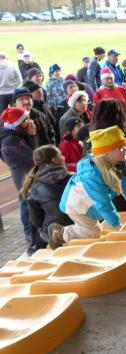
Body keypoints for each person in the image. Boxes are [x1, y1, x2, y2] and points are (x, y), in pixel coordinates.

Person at [49, 126, 126, 248]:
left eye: (125, 146)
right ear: (107, 153)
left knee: (94, 227)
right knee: (93, 232)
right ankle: (61, 234)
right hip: (77, 206)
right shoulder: (92, 175)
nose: (125, 150)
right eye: (121, 148)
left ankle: (65, 230)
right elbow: (102, 202)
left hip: (90, 205)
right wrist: (116, 225)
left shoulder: (117, 166)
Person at [20, 145, 72, 255]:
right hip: (79, 226)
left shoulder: (33, 188)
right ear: (54, 160)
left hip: (53, 234)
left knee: (34, 220)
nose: (64, 157)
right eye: (61, 155)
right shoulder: (73, 178)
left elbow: (37, 221)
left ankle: (33, 249)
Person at [0, 106, 38, 244]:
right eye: (25, 120)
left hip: (24, 172)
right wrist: (32, 135)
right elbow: (34, 156)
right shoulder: (10, 141)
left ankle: (31, 232)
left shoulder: (14, 135)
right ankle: (29, 233)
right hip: (24, 175)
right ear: (18, 124)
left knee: (26, 201)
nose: (29, 121)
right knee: (26, 202)